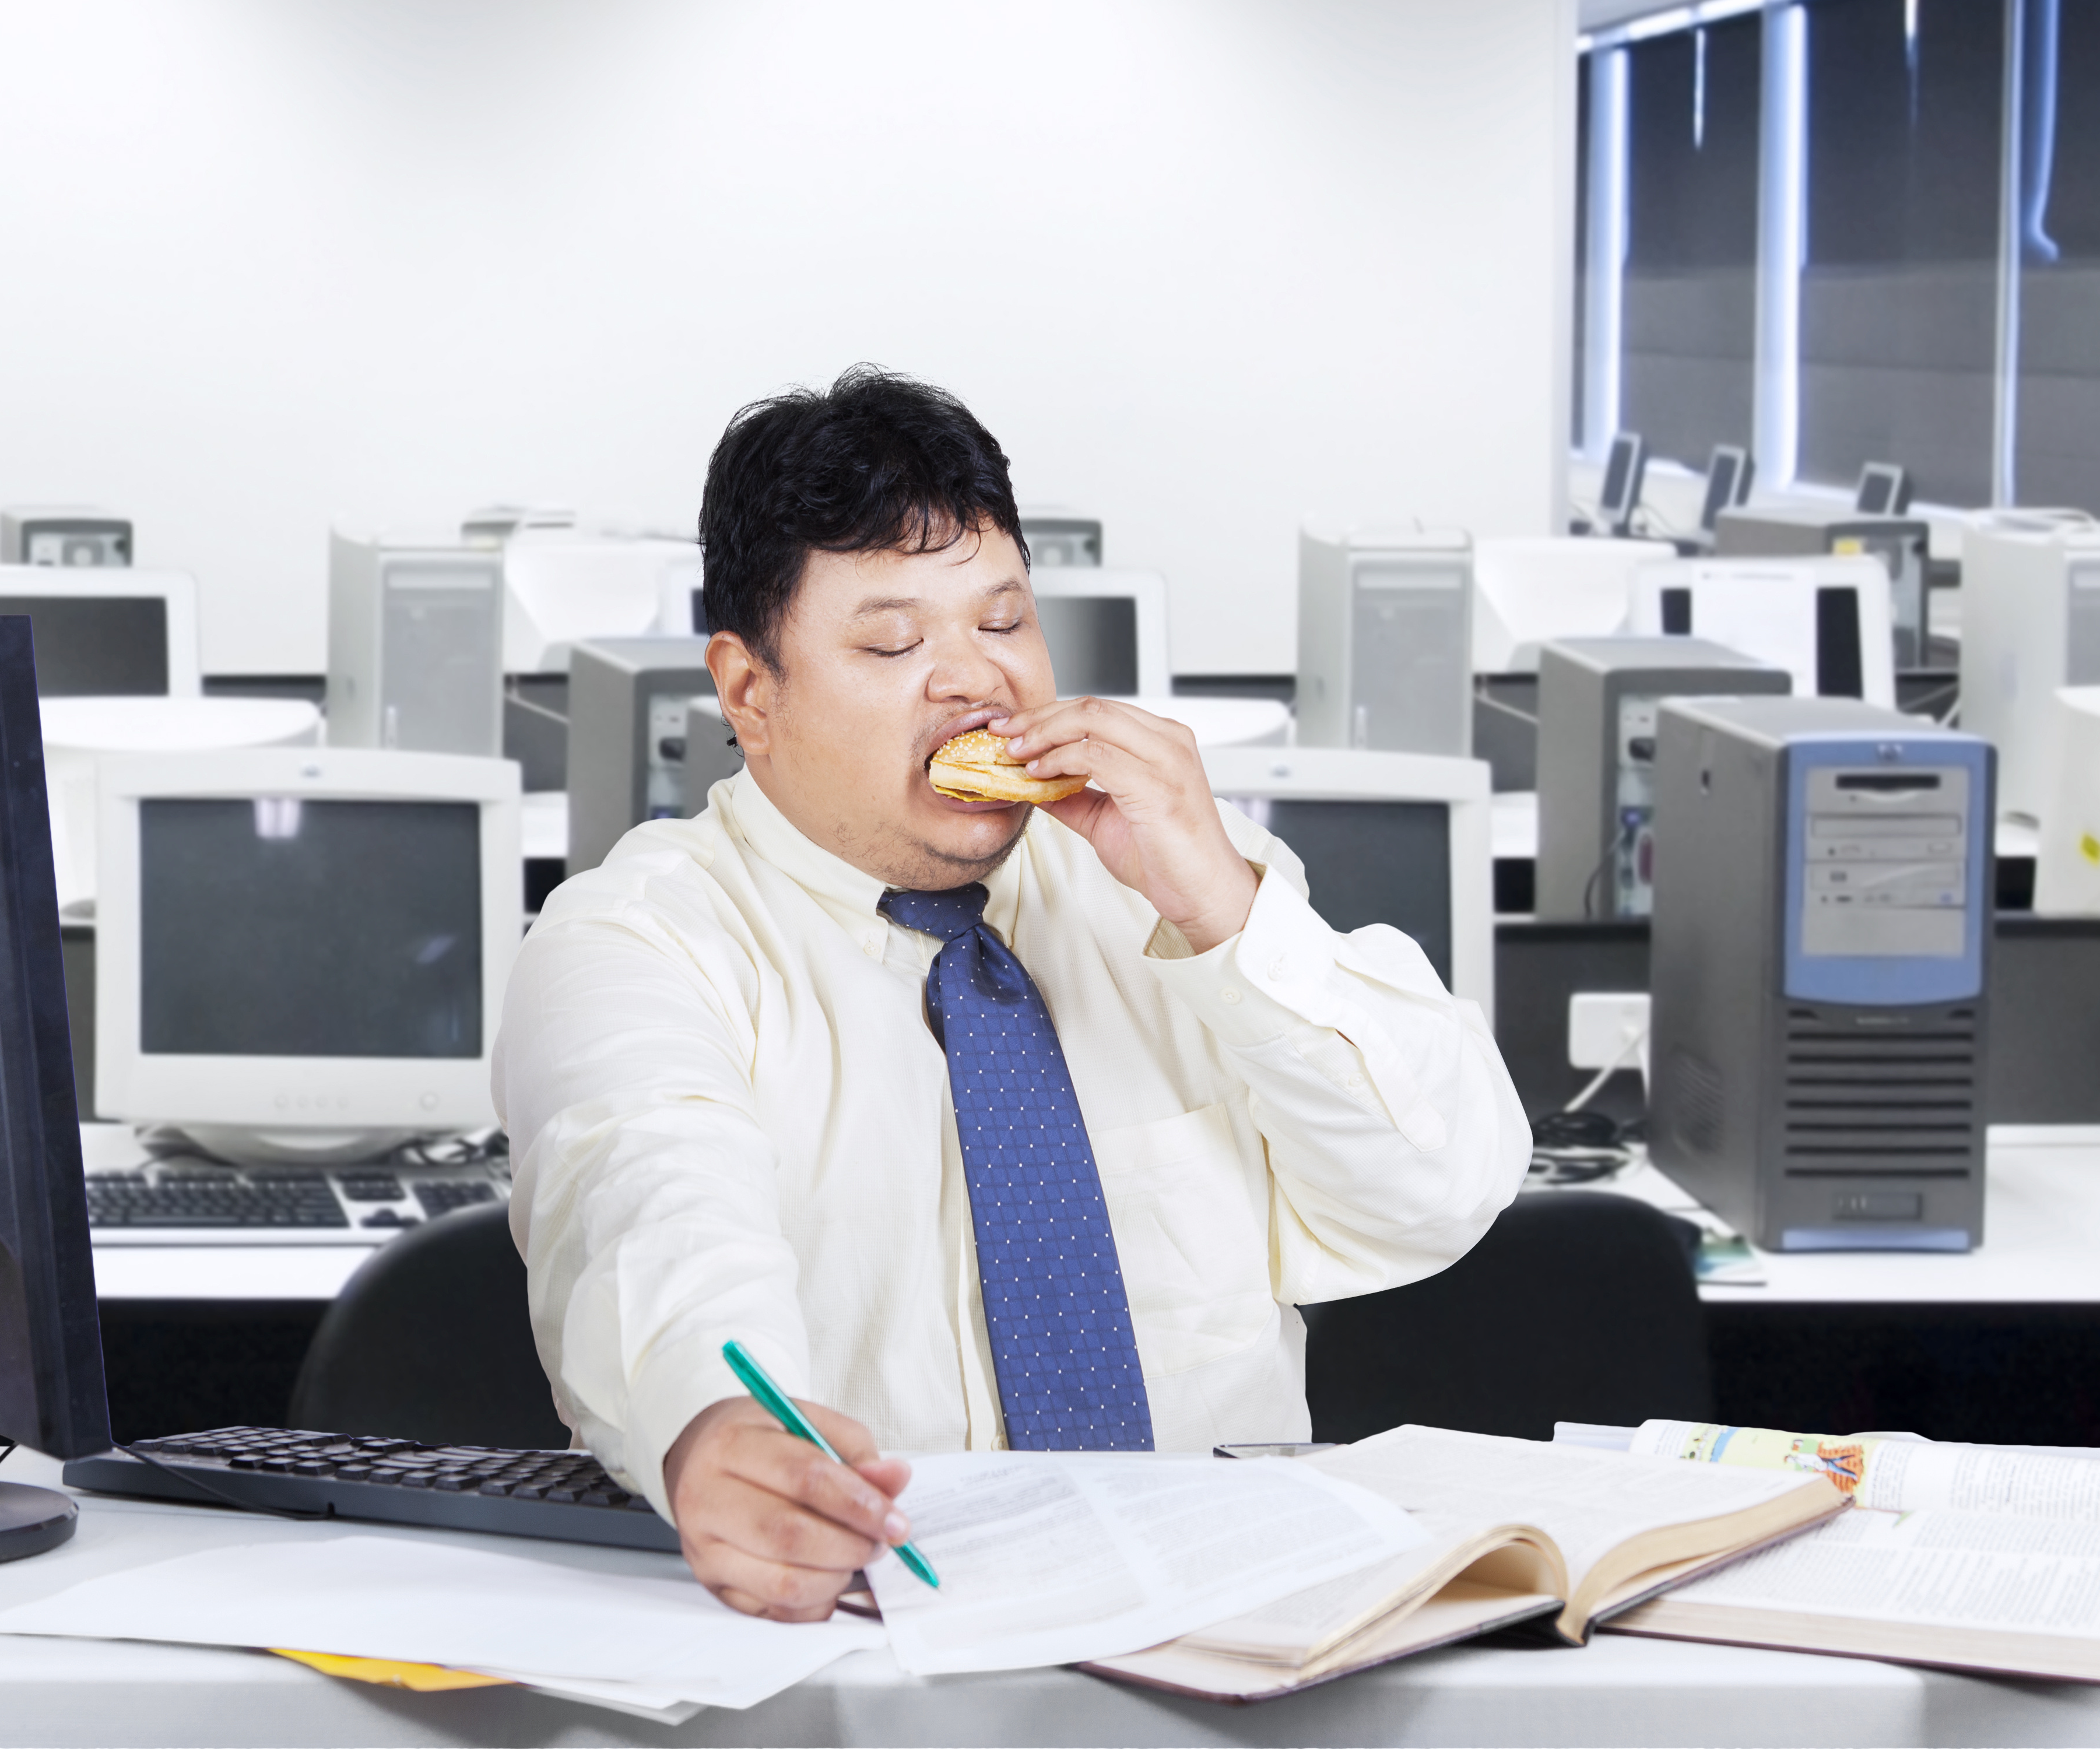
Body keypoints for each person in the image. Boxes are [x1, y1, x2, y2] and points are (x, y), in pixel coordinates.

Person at [496, 366, 1529, 1621]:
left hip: (1230, 1638)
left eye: (1002, 621)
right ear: (749, 693)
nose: (974, 681)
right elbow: (652, 1204)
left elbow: (1441, 1192)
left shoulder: (1168, 888)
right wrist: (718, 1427)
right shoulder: (640, 937)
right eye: (892, 641)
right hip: (874, 1642)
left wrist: (1225, 908)